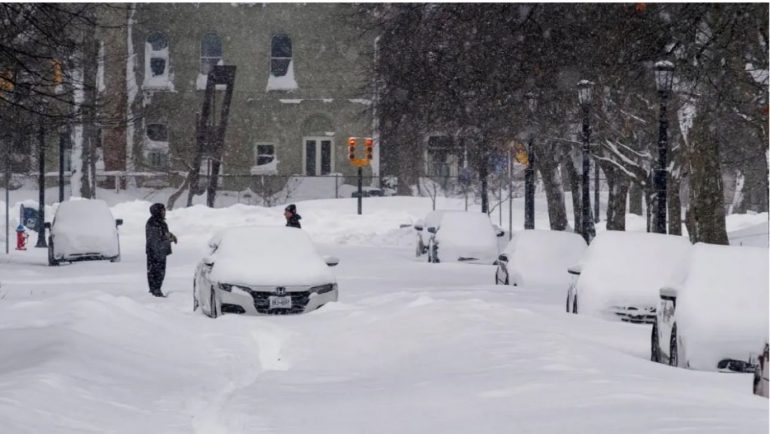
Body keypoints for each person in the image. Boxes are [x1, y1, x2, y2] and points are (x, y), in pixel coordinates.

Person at [145, 203, 177, 297]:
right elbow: (156, 240)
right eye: (162, 210)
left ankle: (157, 290)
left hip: (160, 253)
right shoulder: (153, 223)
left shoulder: (160, 222)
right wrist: (168, 239)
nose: (164, 212)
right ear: (157, 211)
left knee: (160, 272)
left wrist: (171, 236)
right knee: (155, 273)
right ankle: (155, 291)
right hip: (155, 254)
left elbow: (163, 234)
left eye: (164, 210)